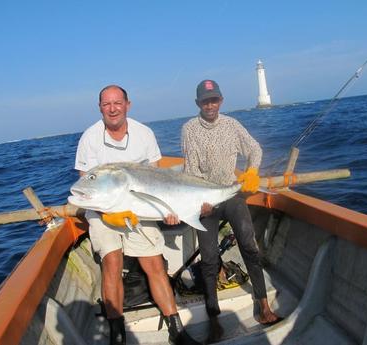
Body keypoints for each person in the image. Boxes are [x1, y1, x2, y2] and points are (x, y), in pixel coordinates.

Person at [75, 85, 199, 345]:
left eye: (117, 103)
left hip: (139, 210)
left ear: (127, 105)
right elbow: (84, 185)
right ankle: (117, 336)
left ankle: (176, 329)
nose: (112, 108)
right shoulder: (90, 138)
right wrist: (108, 213)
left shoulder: (144, 134)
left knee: (154, 263)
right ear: (100, 108)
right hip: (103, 212)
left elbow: (157, 179)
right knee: (111, 261)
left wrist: (168, 209)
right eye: (106, 104)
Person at [181, 80, 282, 343]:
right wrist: (199, 202)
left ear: (221, 101)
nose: (210, 105)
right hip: (205, 200)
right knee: (210, 258)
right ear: (198, 104)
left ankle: (263, 306)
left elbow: (254, 149)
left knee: (249, 245)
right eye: (205, 101)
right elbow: (190, 172)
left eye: (214, 99)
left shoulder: (231, 125)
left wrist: (251, 171)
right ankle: (213, 319)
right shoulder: (189, 129)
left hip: (231, 194)